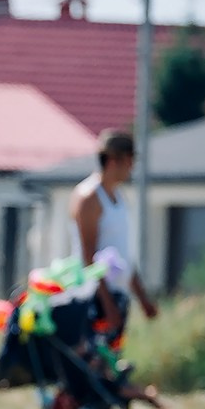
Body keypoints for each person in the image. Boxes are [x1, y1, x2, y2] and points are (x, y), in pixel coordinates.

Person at [72, 129, 159, 344]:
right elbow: (89, 256)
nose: (132, 168)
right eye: (129, 161)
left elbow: (123, 254)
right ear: (113, 161)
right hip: (94, 298)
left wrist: (142, 298)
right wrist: (107, 303)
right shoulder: (89, 198)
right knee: (95, 359)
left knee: (113, 357)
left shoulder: (119, 197)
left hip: (117, 295)